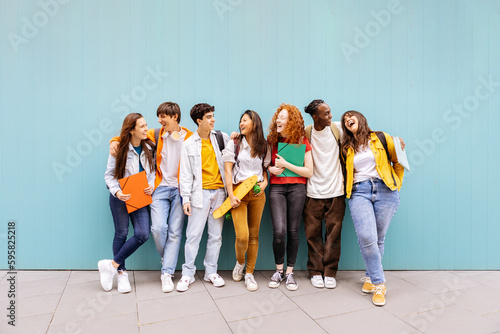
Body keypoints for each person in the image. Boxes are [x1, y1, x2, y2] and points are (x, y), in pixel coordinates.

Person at [110, 102, 193, 293]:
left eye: (163, 116)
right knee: (157, 229)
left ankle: (167, 273)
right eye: (158, 116)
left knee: (175, 232)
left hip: (180, 190)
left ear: (175, 117)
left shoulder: (189, 137)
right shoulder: (155, 134)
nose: (159, 120)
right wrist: (113, 141)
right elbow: (127, 135)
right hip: (159, 188)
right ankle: (167, 257)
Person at [340, 110, 404, 306]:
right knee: (367, 237)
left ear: (361, 118)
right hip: (359, 191)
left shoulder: (382, 138)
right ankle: (379, 283)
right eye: (344, 120)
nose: (347, 119)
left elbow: (398, 161)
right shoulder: (346, 148)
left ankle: (369, 276)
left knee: (379, 237)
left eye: (351, 116)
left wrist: (396, 183)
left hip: (386, 190)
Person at [99, 113, 155, 293]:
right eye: (142, 126)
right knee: (121, 233)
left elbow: (153, 172)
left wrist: (151, 186)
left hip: (140, 196)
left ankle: (111, 265)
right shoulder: (119, 149)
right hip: (120, 197)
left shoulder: (150, 146)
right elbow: (109, 175)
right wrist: (117, 192)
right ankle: (122, 274)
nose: (146, 129)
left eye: (146, 125)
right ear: (132, 130)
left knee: (142, 234)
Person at [177, 103, 229, 292]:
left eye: (213, 115)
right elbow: (184, 175)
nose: (213, 119)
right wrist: (186, 199)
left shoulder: (221, 138)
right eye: (208, 117)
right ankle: (187, 274)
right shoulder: (189, 144)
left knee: (216, 236)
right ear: (199, 121)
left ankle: (211, 272)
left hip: (220, 194)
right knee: (193, 236)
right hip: (199, 195)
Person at [267, 103, 313, 291]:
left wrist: (286, 164)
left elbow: (309, 171)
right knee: (279, 231)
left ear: (291, 121)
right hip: (277, 188)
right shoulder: (271, 141)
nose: (278, 119)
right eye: (278, 116)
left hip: (297, 188)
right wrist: (271, 168)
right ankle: (278, 270)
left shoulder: (303, 141)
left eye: (283, 117)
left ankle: (290, 273)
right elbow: (264, 166)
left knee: (293, 231)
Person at [222, 110, 271, 292]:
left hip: (258, 193)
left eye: (245, 121)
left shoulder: (264, 146)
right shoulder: (234, 143)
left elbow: (264, 169)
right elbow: (228, 170)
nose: (241, 124)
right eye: (240, 121)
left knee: (254, 235)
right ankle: (240, 263)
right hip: (238, 193)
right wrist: (230, 194)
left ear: (254, 124)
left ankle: (249, 273)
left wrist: (265, 182)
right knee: (242, 236)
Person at [302, 99, 345, 289]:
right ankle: (315, 272)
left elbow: (364, 134)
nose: (330, 116)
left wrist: (394, 140)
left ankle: (330, 272)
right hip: (312, 193)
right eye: (326, 113)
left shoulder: (337, 129)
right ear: (315, 116)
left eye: (330, 112)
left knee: (333, 235)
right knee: (312, 235)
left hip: (336, 191)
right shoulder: (307, 132)